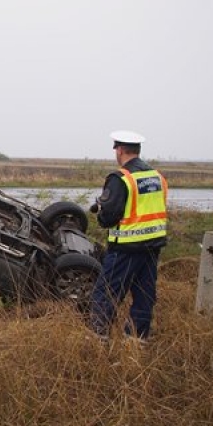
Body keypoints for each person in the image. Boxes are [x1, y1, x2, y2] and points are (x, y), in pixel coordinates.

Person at [88, 130, 168, 342]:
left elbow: (109, 217)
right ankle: (137, 341)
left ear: (120, 150)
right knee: (144, 295)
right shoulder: (157, 177)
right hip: (152, 246)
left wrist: (101, 214)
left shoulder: (120, 178)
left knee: (105, 294)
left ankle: (98, 339)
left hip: (125, 247)